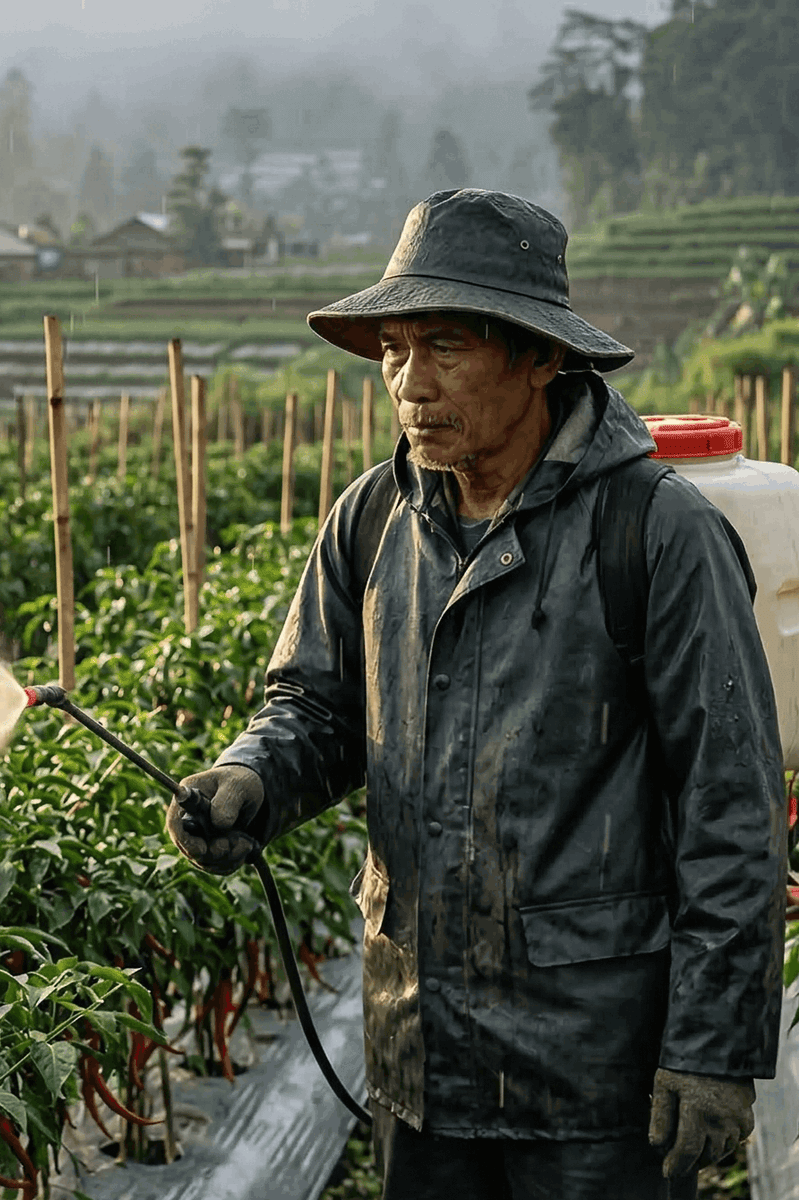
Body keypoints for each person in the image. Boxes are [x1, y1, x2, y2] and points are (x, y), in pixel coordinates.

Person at [166, 188, 786, 1200]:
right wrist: (249, 780)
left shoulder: (654, 532)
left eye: (443, 345)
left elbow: (731, 806)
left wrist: (712, 1048)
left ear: (539, 356)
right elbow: (314, 709)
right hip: (423, 1055)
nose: (409, 383)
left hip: (596, 1081)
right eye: (392, 349)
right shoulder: (372, 519)